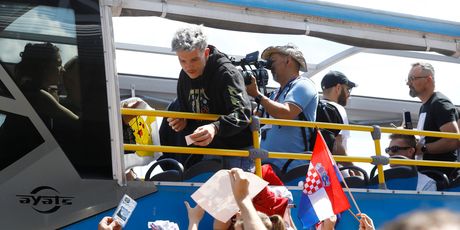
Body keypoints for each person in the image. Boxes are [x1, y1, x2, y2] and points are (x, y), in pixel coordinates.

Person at [169, 25, 253, 171]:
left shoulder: (227, 73)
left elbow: (243, 114)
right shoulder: (184, 76)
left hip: (237, 153)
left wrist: (215, 127)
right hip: (207, 153)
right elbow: (185, 110)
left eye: (194, 59)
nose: (188, 66)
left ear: (206, 53)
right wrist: (182, 121)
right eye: (182, 61)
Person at [246, 43, 318, 171]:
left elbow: (287, 113)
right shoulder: (274, 94)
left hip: (291, 168)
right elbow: (254, 122)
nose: (269, 67)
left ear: (288, 60)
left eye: (272, 61)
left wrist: (257, 95)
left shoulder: (303, 85)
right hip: (267, 167)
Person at [406, 62, 460, 178]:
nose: (408, 83)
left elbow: (453, 140)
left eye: (412, 78)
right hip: (429, 175)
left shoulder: (439, 104)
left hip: (440, 177)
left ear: (428, 79)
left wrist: (423, 148)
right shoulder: (425, 106)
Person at [320, 71, 356, 167]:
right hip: (333, 169)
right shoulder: (338, 109)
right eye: (348, 89)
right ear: (338, 88)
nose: (348, 95)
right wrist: (355, 169)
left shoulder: (313, 108)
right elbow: (337, 148)